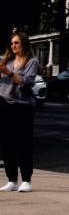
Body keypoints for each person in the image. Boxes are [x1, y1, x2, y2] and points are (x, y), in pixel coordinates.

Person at [0, 32, 42, 193]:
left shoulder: (31, 62)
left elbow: (26, 83)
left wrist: (9, 73)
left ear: (24, 44)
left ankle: (26, 180)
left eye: (16, 43)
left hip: (23, 106)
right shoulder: (7, 61)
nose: (13, 46)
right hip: (5, 104)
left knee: (24, 143)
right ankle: (11, 180)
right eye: (12, 43)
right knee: (7, 143)